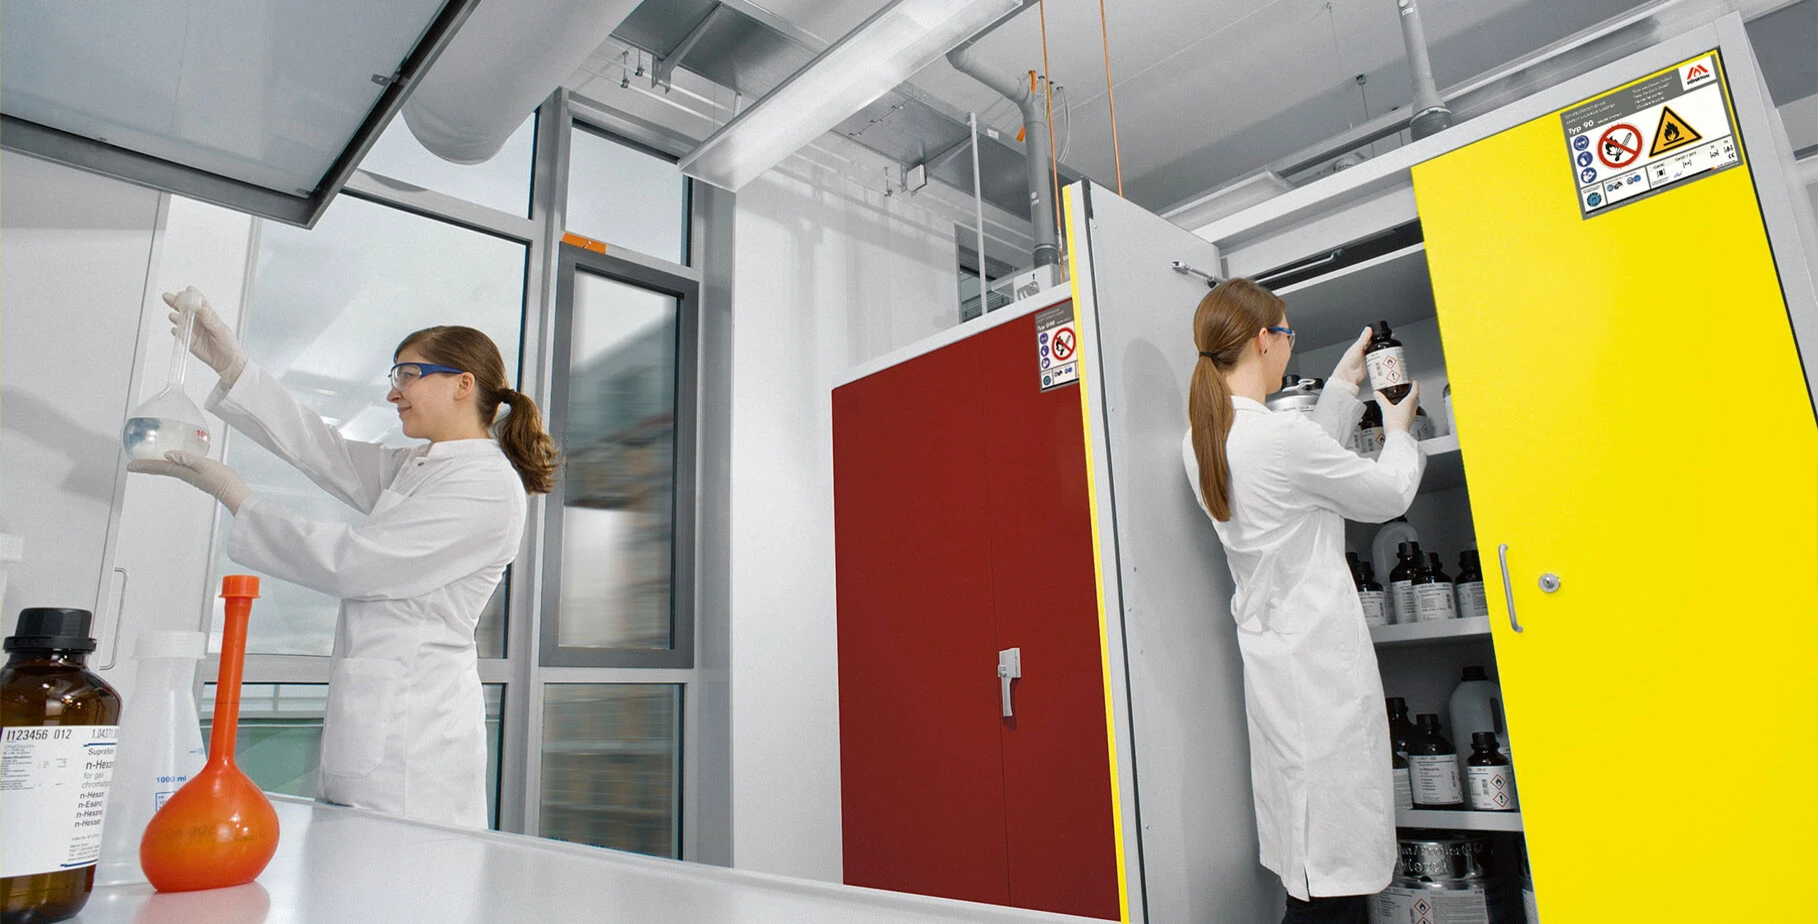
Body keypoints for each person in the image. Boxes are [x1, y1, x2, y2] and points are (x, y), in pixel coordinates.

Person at [129, 287, 559, 829]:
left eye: (408, 375)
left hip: (416, 743)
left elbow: (357, 564)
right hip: (377, 717)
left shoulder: (485, 483)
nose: (394, 393)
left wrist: (237, 495)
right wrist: (233, 365)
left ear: (462, 383)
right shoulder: (423, 464)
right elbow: (323, 449)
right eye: (395, 377)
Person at [1179, 279, 1424, 924]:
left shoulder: (1204, 439)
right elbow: (1388, 494)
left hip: (1277, 669)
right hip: (1318, 675)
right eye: (1287, 335)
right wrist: (1398, 426)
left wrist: (1342, 389)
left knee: (1311, 872)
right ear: (1264, 341)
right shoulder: (1277, 440)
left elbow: (1297, 473)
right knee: (1331, 889)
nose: (1290, 346)